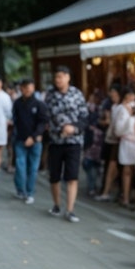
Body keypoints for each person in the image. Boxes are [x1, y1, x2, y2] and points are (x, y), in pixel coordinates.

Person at [44, 65, 88, 222]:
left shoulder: (77, 94)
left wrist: (74, 128)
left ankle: (70, 210)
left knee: (72, 176)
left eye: (61, 76)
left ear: (68, 77)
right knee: (54, 176)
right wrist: (60, 128)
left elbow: (84, 117)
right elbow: (47, 116)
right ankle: (57, 204)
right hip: (56, 141)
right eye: (56, 77)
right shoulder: (50, 95)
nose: (58, 80)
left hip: (74, 142)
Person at [11, 77, 48, 204]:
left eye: (29, 87)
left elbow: (43, 122)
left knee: (33, 168)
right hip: (20, 138)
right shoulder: (17, 103)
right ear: (21, 88)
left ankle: (30, 192)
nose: (27, 89)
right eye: (24, 87)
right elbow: (15, 120)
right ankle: (21, 189)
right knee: (20, 165)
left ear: (33, 88)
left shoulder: (39, 104)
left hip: (35, 139)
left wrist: (35, 136)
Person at [111, 86, 135, 209]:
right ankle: (125, 197)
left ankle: (129, 194)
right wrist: (129, 117)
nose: (131, 97)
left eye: (133, 95)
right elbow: (118, 129)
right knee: (126, 170)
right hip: (126, 141)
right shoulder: (121, 108)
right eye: (129, 95)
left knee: (134, 169)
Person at [94, 83, 123, 202]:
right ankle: (106, 190)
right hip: (110, 138)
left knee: (113, 167)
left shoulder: (121, 107)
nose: (113, 96)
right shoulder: (111, 105)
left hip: (118, 139)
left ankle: (108, 190)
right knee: (108, 166)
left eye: (115, 94)